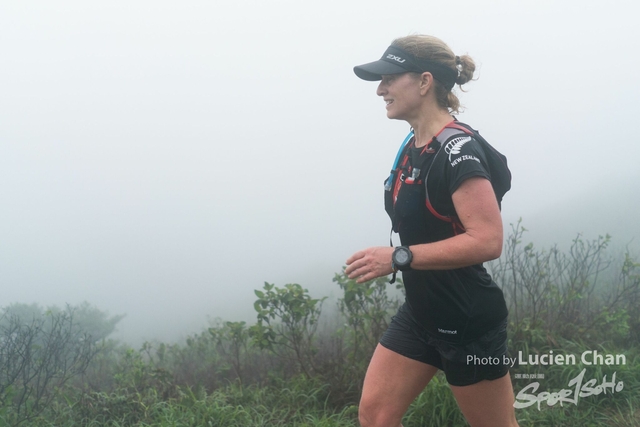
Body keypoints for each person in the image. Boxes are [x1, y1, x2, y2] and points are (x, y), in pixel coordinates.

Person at [345, 35, 519, 427]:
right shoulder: (414, 144)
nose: (380, 89)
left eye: (390, 78)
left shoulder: (458, 152)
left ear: (424, 82)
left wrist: (398, 257)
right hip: (421, 313)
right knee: (375, 416)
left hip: (467, 321)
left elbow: (488, 240)